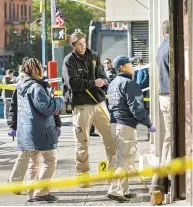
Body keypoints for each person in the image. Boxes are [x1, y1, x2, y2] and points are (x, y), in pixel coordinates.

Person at [62, 29, 117, 187]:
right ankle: (83, 176)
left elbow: (103, 75)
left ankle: (113, 174)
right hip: (81, 105)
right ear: (73, 45)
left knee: (110, 138)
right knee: (82, 142)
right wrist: (93, 83)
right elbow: (72, 83)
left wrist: (103, 82)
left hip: (99, 103)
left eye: (84, 43)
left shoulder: (94, 56)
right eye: (79, 44)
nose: (83, 46)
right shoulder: (69, 61)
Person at [11, 58, 64, 202]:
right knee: (50, 160)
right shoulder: (37, 87)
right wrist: (60, 101)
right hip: (41, 131)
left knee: (33, 163)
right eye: (41, 67)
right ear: (36, 69)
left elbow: (15, 108)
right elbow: (47, 108)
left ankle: (32, 192)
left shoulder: (21, 86)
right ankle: (41, 192)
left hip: (27, 132)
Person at [106, 55, 156, 202]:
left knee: (122, 158)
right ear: (122, 67)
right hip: (126, 125)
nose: (132, 66)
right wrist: (148, 124)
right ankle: (115, 190)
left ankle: (125, 189)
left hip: (114, 124)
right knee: (126, 159)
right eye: (130, 64)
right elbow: (137, 108)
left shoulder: (113, 83)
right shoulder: (129, 83)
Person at [150, 20, 171, 194]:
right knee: (171, 137)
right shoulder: (173, 48)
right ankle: (162, 176)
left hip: (164, 96)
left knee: (169, 137)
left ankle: (162, 174)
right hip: (171, 97)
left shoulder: (161, 48)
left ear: (163, 33)